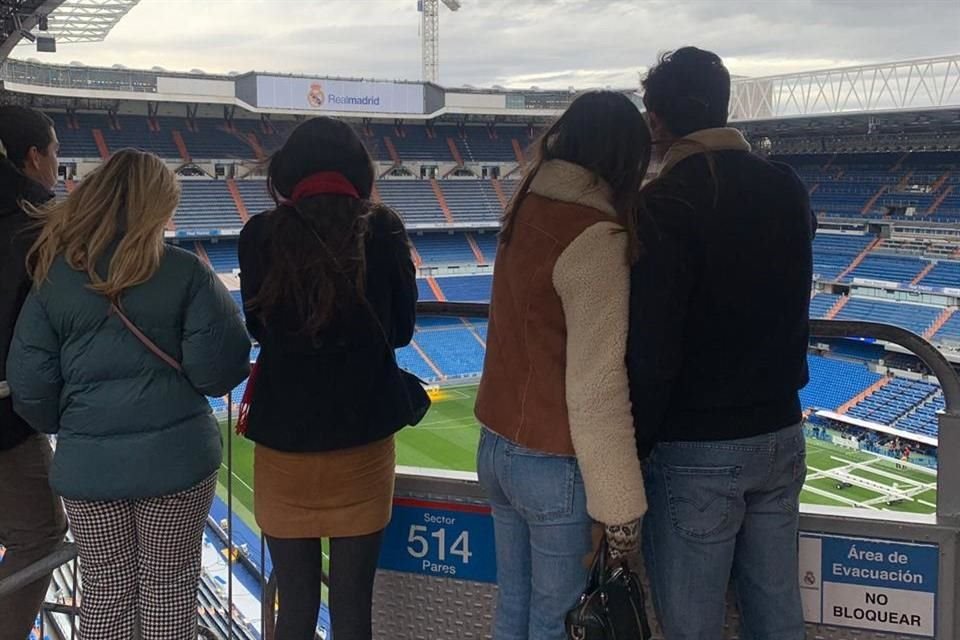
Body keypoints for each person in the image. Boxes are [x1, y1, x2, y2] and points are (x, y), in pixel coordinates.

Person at [7, 149, 250, 640]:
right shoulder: (186, 272)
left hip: (88, 468)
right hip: (178, 461)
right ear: (159, 205)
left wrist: (77, 424)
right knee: (169, 588)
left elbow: (30, 386)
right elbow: (219, 370)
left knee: (104, 590)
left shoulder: (53, 278)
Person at [627, 47, 815, 639]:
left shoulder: (665, 203)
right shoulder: (786, 186)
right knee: (778, 611)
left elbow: (653, 352)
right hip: (781, 431)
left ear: (657, 120)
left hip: (696, 448)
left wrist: (634, 447)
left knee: (691, 626)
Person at [474, 91, 651, 640]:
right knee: (556, 623)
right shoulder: (595, 236)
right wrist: (621, 517)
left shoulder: (526, 207)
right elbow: (596, 387)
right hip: (553, 461)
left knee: (514, 613)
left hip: (497, 445)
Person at [238, 116, 424, 640]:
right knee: (352, 610)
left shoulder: (259, 235)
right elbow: (403, 330)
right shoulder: (382, 228)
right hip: (362, 443)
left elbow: (258, 325)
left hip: (283, 446)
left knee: (293, 606)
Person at [0, 105, 67, 640]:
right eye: (55, 153)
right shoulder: (39, 222)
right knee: (42, 534)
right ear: (33, 157)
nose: (58, 166)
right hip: (7, 418)